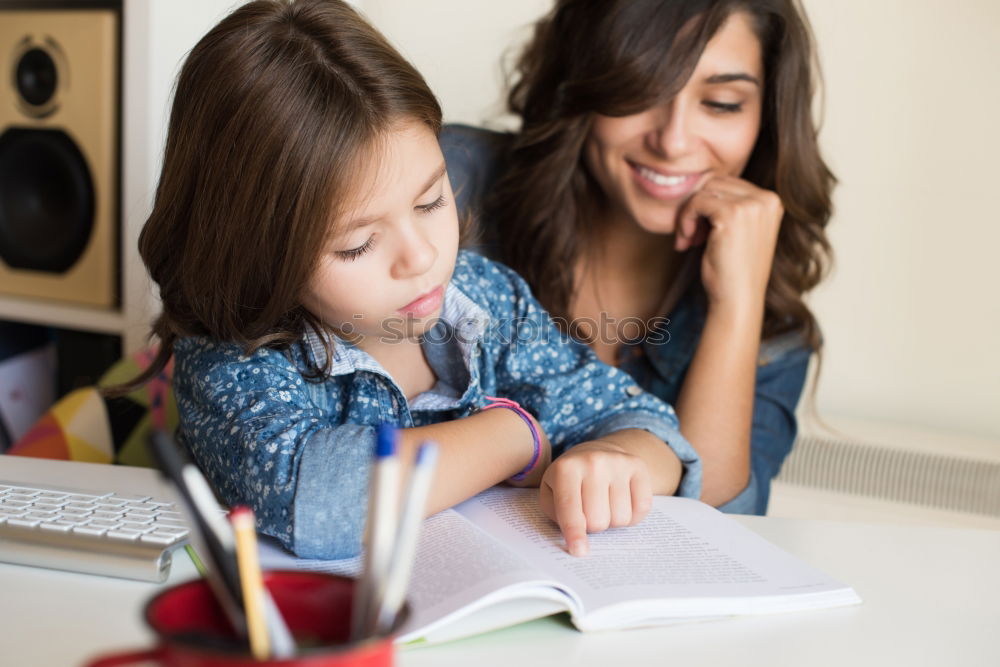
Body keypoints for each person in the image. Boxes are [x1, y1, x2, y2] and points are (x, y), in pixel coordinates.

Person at [117, 0, 700, 560]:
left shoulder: (483, 296)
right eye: (357, 244)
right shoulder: (233, 353)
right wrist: (513, 437)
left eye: (430, 201)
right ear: (256, 252)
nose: (421, 257)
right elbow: (313, 498)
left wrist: (614, 459)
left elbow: (645, 425)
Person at [443, 0, 834, 515]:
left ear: (768, 118)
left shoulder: (775, 331)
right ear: (582, 82)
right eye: (643, 90)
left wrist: (737, 303)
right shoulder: (447, 185)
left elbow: (713, 530)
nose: (672, 141)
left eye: (720, 103)